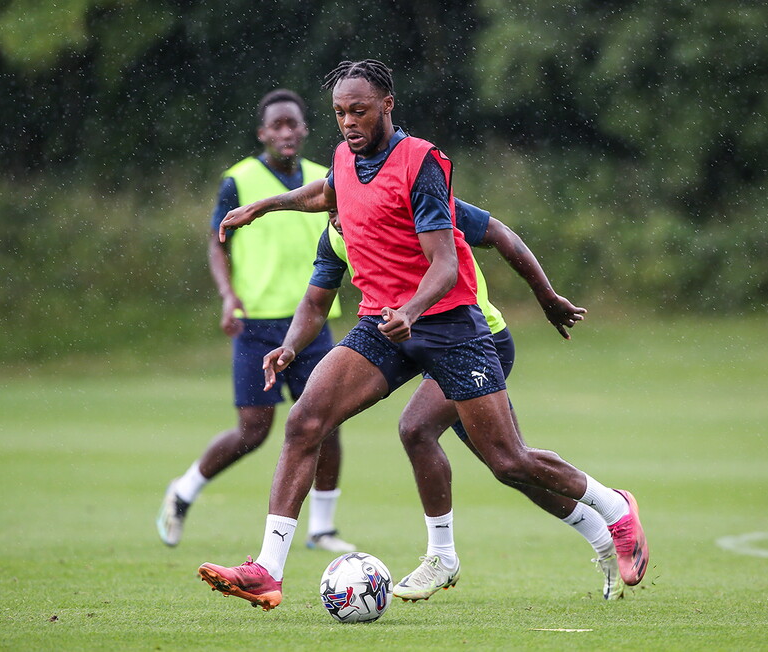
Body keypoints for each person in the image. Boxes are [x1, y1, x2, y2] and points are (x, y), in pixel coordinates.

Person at [196, 60, 648, 611]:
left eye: (358, 110)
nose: (348, 122)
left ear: (388, 104)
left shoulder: (422, 164)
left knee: (509, 461)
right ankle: (268, 570)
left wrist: (416, 309)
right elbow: (327, 194)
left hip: (450, 326)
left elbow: (445, 266)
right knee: (305, 419)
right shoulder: (345, 158)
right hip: (383, 325)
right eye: (339, 113)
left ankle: (615, 507)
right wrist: (263, 207)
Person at [318, 203, 624, 601]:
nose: (341, 217)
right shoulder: (339, 236)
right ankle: (606, 542)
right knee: (512, 466)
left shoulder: (414, 199)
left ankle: (442, 556)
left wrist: (546, 295)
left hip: (477, 341)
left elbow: (499, 233)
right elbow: (316, 296)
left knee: (418, 428)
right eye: (331, 210)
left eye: (345, 205)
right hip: (430, 350)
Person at [155, 89, 355, 553]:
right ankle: (183, 491)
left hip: (311, 322)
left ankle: (322, 528)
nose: (285, 132)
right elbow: (216, 243)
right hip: (257, 323)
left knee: (327, 421)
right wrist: (228, 296)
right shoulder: (238, 181)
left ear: (305, 130)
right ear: (263, 133)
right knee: (253, 431)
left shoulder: (324, 180)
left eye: (293, 124)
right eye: (276, 125)